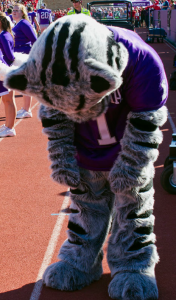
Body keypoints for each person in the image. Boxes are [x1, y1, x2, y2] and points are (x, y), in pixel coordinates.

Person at [3, 15, 168, 300]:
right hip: (85, 149)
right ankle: (81, 261)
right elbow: (53, 112)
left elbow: (147, 118)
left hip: (126, 143)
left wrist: (130, 166)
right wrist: (62, 158)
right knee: (85, 208)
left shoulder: (141, 61)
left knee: (133, 210)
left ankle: (133, 266)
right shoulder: (48, 60)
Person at [12, 3, 37, 119]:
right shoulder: (18, 24)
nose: (14, 12)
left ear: (22, 13)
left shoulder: (24, 23)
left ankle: (27, 110)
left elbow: (34, 40)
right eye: (13, 10)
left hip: (24, 55)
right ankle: (25, 108)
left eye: (17, 10)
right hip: (18, 55)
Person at [0, 12, 15, 137]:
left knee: (8, 100)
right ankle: (8, 125)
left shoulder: (3, 36)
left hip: (4, 70)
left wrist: (6, 68)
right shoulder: (5, 34)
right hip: (5, 70)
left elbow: (10, 56)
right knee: (7, 99)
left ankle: (10, 127)